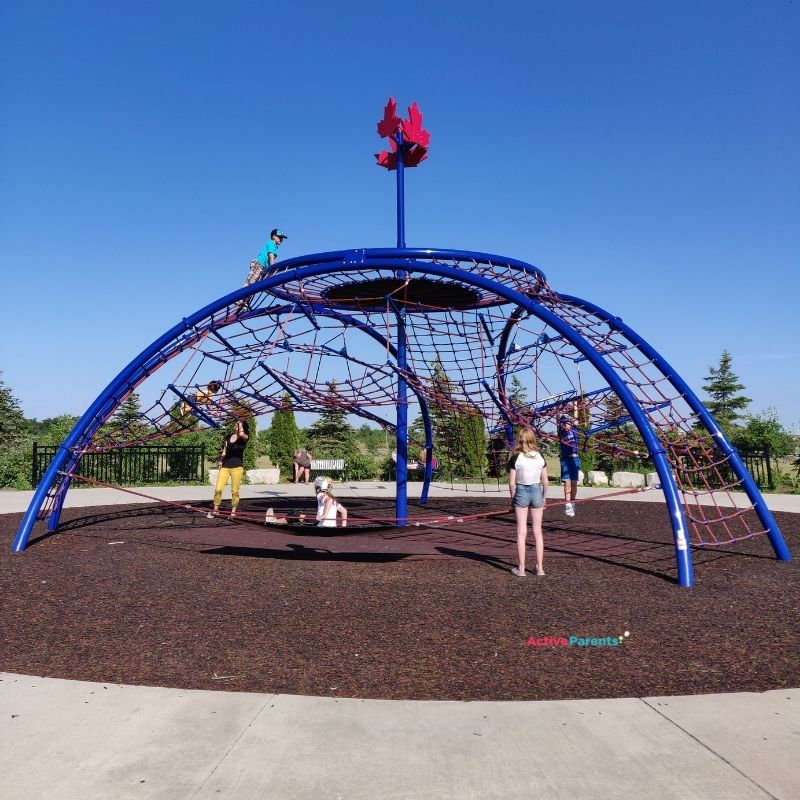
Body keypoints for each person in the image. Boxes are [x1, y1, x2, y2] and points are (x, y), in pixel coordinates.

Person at [507, 427, 548, 576]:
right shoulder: (540, 456)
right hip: (536, 491)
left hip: (522, 491)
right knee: (537, 531)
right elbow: (545, 481)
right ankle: (540, 568)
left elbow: (512, 483)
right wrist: (544, 498)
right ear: (532, 439)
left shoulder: (516, 457)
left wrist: (513, 499)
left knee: (521, 531)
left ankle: (522, 568)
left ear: (520, 440)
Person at [207, 419, 251, 519]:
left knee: (235, 491)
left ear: (242, 427)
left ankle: (233, 511)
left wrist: (240, 422)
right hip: (225, 466)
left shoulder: (244, 437)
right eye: (236, 424)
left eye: (238, 425)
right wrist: (220, 460)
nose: (235, 425)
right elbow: (225, 451)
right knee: (218, 489)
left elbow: (241, 434)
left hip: (237, 467)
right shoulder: (228, 437)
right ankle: (216, 509)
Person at [559, 413, 580, 517]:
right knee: (567, 484)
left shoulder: (575, 431)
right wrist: (559, 409)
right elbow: (557, 419)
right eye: (565, 423)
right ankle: (567, 505)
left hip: (575, 458)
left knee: (574, 483)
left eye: (568, 423)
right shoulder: (561, 433)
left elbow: (576, 419)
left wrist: (576, 405)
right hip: (565, 460)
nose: (567, 425)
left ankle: (573, 502)